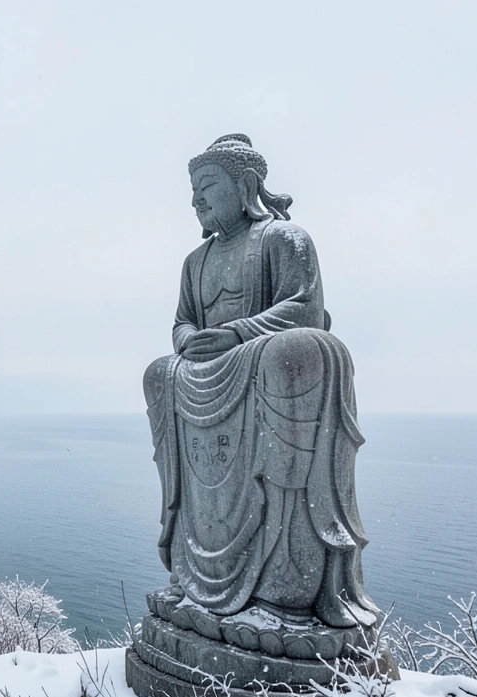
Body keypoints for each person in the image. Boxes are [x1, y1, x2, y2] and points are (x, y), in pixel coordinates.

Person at [143, 134, 379, 630]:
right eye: (193, 189)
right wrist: (190, 342)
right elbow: (182, 321)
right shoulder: (196, 262)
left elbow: (305, 309)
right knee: (159, 373)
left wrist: (234, 333)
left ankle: (284, 583)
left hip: (259, 363)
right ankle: (196, 569)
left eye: (207, 185)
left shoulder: (282, 240)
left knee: (299, 352)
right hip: (211, 372)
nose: (196, 200)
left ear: (245, 184)